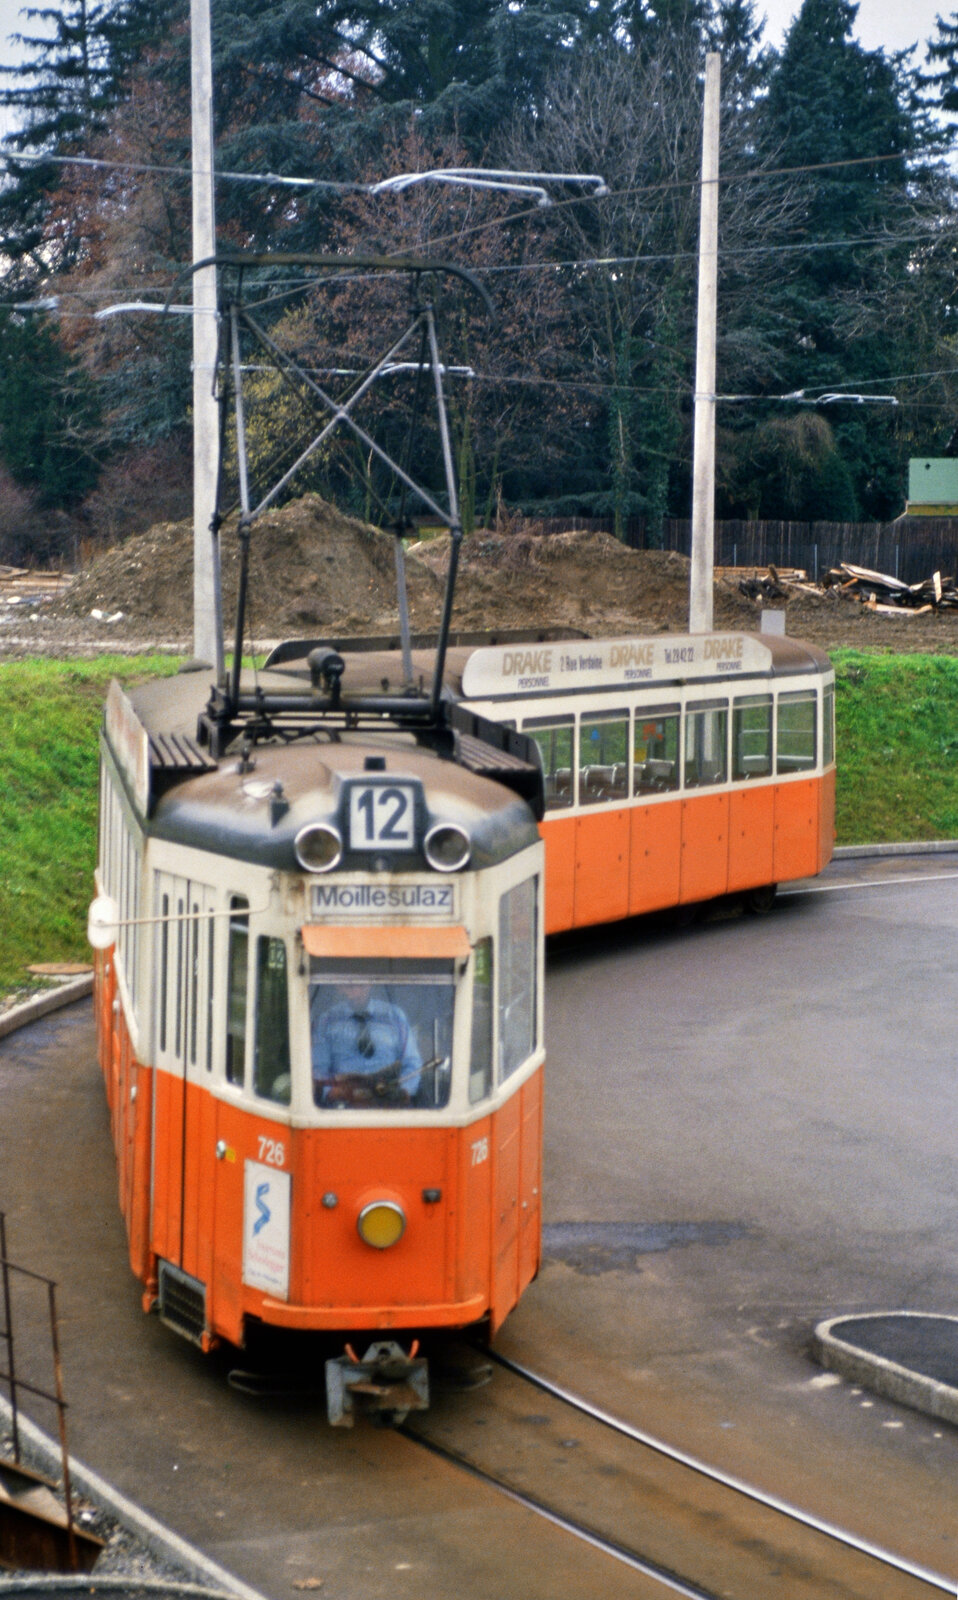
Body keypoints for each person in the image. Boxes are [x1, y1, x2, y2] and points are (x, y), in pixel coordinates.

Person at [311, 980, 421, 1106]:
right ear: (339, 987)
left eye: (361, 985)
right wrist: (333, 1092)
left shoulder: (395, 1017)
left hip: (389, 1105)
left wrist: (402, 1092)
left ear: (370, 984)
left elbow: (412, 1064)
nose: (356, 992)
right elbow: (319, 1070)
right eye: (350, 986)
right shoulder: (326, 1021)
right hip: (344, 1106)